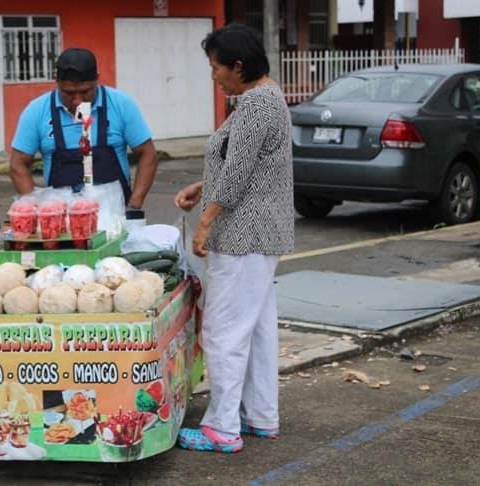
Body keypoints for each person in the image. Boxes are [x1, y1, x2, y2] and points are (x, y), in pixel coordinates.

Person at [174, 24, 294, 453]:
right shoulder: (263, 99)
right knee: (257, 330)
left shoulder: (257, 105)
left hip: (243, 236)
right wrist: (201, 186)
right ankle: (261, 416)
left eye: (216, 68)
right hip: (261, 235)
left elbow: (239, 174)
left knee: (225, 332)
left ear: (238, 66)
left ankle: (222, 427)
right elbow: (239, 164)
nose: (214, 76)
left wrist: (205, 222)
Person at [9, 47, 157, 209]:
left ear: (97, 80)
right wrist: (38, 210)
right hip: (62, 222)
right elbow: (18, 164)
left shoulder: (122, 105)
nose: (77, 101)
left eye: (85, 92)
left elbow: (147, 154)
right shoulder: (36, 111)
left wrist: (134, 204)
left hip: (116, 217)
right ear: (56, 80)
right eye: (69, 93)